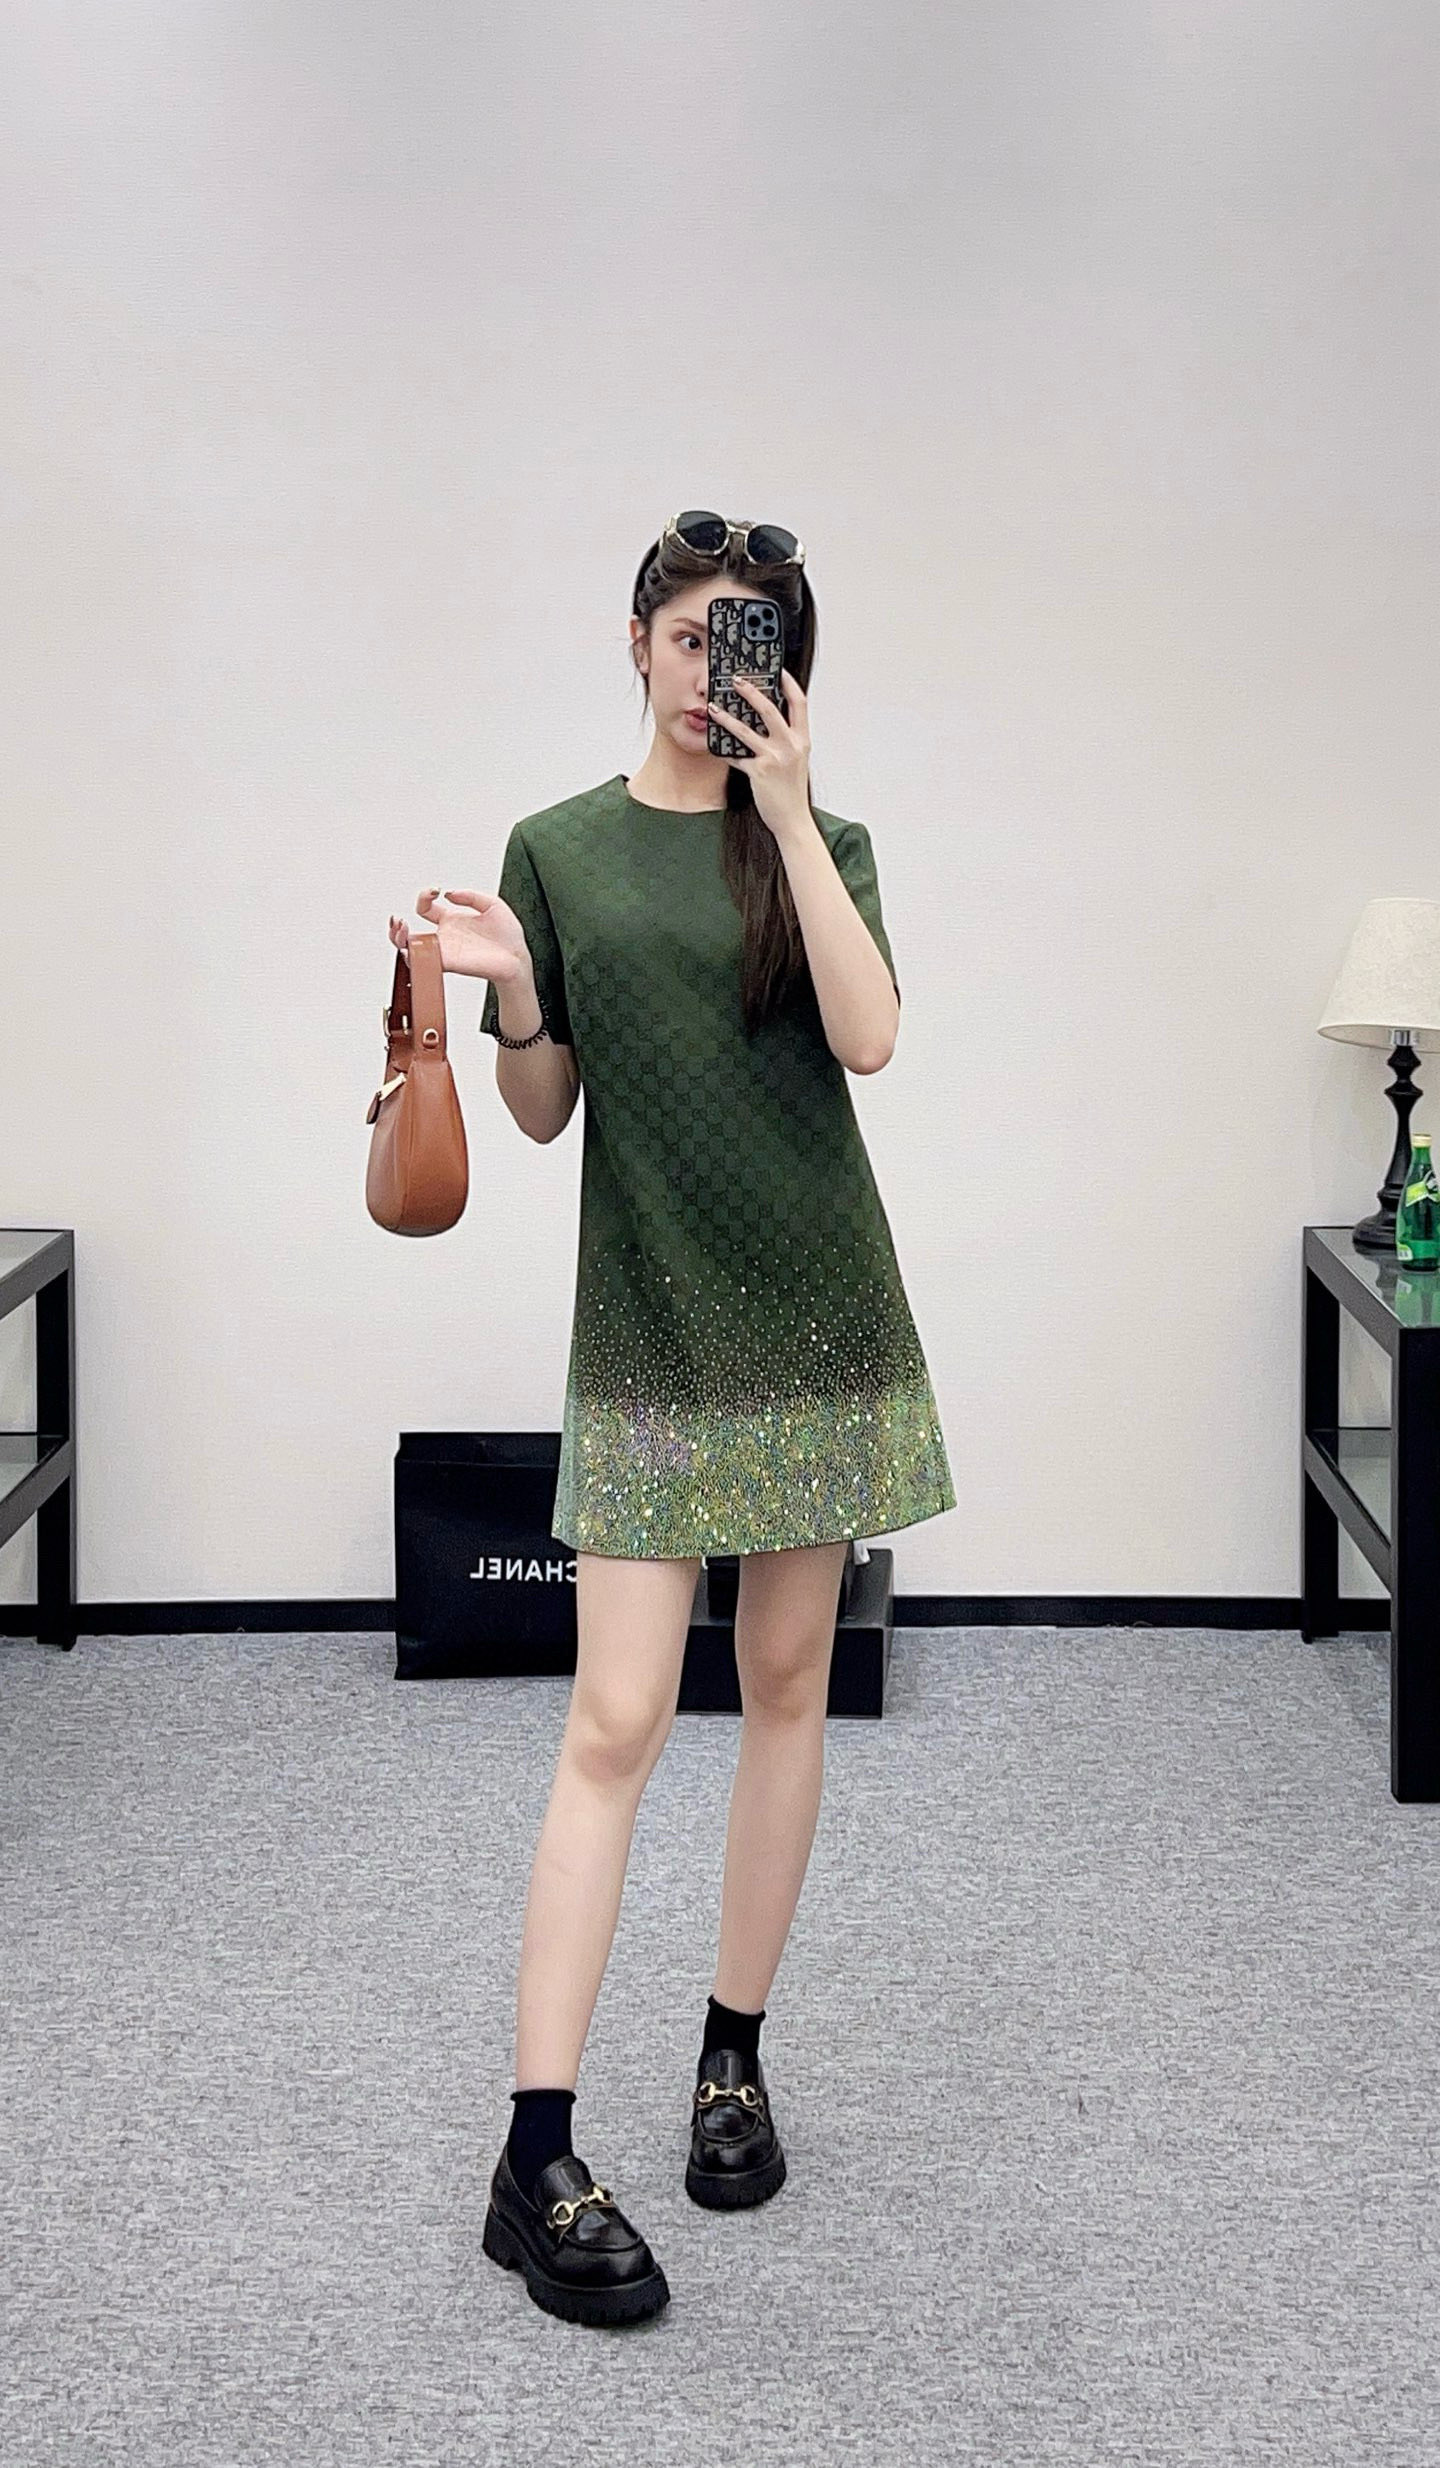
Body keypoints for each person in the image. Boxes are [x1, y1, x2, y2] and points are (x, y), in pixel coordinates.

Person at [387, 510, 955, 2328]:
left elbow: (868, 1039)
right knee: (616, 1719)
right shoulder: (554, 848)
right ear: (636, 639)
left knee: (787, 1686)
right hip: (647, 1320)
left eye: (756, 639)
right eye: (701, 633)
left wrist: (788, 814)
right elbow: (543, 1110)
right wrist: (513, 989)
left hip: (819, 1319)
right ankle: (535, 2149)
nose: (723, 668)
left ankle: (732, 2061)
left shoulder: (823, 842)